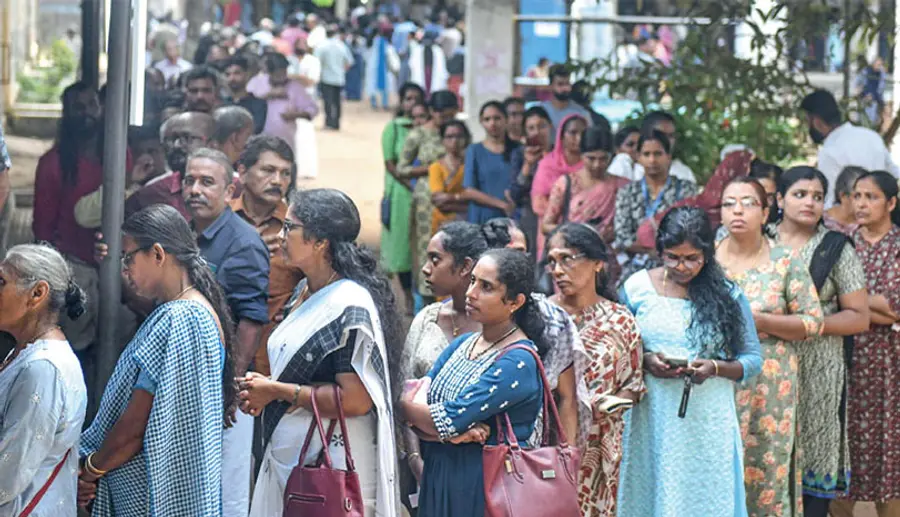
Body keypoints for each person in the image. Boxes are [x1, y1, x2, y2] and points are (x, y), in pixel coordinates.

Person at [241, 188, 401, 517]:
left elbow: (356, 400)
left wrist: (274, 390)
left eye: (289, 227)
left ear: (319, 242)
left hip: (330, 467)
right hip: (293, 460)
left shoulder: (349, 303)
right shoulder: (304, 290)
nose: (281, 236)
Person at [77, 204, 234, 515]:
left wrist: (92, 468)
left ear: (158, 254)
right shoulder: (187, 311)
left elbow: (137, 423)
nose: (125, 269)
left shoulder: (182, 318)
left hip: (150, 497)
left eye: (129, 257)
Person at [617, 207, 762, 516]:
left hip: (707, 419)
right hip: (651, 416)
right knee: (651, 492)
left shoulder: (728, 294)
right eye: (672, 257)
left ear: (707, 254)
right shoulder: (636, 288)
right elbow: (617, 347)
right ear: (659, 251)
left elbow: (752, 359)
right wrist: (645, 360)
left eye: (692, 258)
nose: (682, 267)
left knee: (705, 496)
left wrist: (716, 368)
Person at [400, 248, 548, 516]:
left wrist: (402, 407)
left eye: (486, 287)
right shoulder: (464, 344)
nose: (471, 293)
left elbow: (443, 416)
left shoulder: (518, 363)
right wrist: (450, 433)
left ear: (514, 302)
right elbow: (422, 397)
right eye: (473, 281)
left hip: (482, 485)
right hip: (440, 473)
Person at [716, 177, 824, 517]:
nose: (737, 210)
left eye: (748, 202)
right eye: (728, 203)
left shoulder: (785, 260)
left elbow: (813, 322)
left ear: (765, 213)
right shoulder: (706, 262)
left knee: (766, 480)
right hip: (717, 385)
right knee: (717, 472)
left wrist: (758, 321)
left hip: (771, 391)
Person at [768, 166, 869, 517]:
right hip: (764, 366)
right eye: (799, 194)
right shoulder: (756, 241)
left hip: (820, 369)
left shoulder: (835, 248)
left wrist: (806, 325)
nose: (809, 202)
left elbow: (859, 315)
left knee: (814, 453)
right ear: (779, 199)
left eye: (816, 196)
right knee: (763, 451)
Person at [543, 224, 643, 517]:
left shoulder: (619, 321)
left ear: (598, 263)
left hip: (600, 449)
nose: (558, 269)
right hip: (549, 445)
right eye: (552, 261)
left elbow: (633, 384)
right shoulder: (543, 318)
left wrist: (608, 404)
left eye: (568, 258)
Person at [398, 221, 488, 509]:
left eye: (435, 259)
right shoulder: (426, 319)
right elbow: (404, 393)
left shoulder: (497, 326)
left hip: (482, 465)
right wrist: (415, 460)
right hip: (428, 459)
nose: (425, 268)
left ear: (465, 267)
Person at [0, 245, 87, 516]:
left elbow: (8, 473)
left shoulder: (43, 368)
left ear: (37, 294)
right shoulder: (26, 354)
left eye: (2, 282)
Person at [833, 170, 900, 517]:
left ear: (891, 202)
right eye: (856, 196)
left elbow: (894, 308)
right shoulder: (840, 244)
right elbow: (830, 298)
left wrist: (855, 301)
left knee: (888, 449)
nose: (861, 203)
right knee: (841, 447)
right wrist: (876, 304)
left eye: (870, 197)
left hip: (888, 366)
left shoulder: (897, 246)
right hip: (844, 361)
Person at [230, 135, 304, 377]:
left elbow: (325, 281)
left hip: (276, 360)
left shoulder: (300, 229)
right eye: (268, 170)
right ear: (242, 172)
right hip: (221, 349)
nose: (277, 181)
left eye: (285, 173)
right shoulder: (221, 220)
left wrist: (300, 304)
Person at [613, 130, 698, 284]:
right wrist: (650, 250)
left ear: (668, 157)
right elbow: (621, 237)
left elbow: (693, 230)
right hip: (636, 267)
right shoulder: (628, 192)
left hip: (678, 265)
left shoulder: (685, 189)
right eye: (646, 154)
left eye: (658, 154)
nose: (652, 160)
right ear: (638, 157)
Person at [401, 90, 460, 308]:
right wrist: (435, 167)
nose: (443, 119)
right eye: (439, 114)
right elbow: (402, 168)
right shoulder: (418, 135)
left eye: (448, 114)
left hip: (455, 194)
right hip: (427, 198)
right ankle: (427, 296)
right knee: (428, 245)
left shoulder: (458, 131)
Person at [800, 89, 899, 207]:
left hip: (852, 217)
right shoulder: (870, 136)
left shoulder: (830, 151)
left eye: (807, 121)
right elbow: (894, 174)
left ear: (817, 122)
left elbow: (830, 201)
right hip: (882, 214)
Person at [380, 83, 426, 313]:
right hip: (401, 194)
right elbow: (390, 164)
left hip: (427, 195)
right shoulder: (394, 129)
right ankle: (407, 294)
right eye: (408, 98)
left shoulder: (430, 130)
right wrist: (412, 185)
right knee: (402, 247)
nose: (412, 103)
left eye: (417, 99)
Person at [542, 126, 629, 242]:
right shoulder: (566, 184)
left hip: (608, 253)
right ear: (581, 155)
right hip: (572, 251)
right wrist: (574, 233)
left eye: (603, 159)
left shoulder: (621, 185)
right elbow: (546, 225)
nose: (597, 165)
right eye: (591, 158)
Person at [247, 52, 319, 154]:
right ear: (269, 72)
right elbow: (246, 102)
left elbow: (312, 109)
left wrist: (296, 114)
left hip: (285, 142)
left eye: (283, 71)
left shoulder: (294, 87)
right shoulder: (257, 82)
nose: (281, 76)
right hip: (258, 140)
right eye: (278, 73)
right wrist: (268, 95)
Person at [463, 101, 520, 224]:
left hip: (512, 217)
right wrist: (502, 205)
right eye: (487, 119)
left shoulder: (518, 150)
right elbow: (469, 190)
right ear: (481, 122)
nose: (492, 123)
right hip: (482, 217)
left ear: (506, 119)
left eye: (497, 118)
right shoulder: (474, 151)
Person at [508, 107, 554, 258]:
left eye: (542, 126)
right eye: (531, 128)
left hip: (556, 214)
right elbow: (514, 193)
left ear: (551, 127)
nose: (537, 132)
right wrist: (528, 165)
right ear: (525, 132)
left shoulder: (559, 154)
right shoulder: (520, 154)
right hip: (529, 216)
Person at [531, 114, 588, 225]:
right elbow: (538, 203)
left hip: (585, 228)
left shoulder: (592, 164)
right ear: (561, 136)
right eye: (573, 133)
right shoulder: (547, 165)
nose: (579, 138)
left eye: (583, 134)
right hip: (551, 228)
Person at [428, 120, 471, 234]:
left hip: (470, 225)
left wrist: (450, 197)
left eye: (459, 136)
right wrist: (468, 204)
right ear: (442, 140)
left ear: (466, 139)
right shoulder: (436, 167)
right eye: (449, 137)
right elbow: (441, 203)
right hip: (443, 225)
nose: (454, 141)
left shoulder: (472, 165)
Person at [632, 111, 697, 184]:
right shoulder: (631, 172)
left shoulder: (684, 172)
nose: (668, 141)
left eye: (671, 136)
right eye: (661, 135)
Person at [315, 26, 354, 130]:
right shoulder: (342, 45)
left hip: (326, 77)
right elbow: (349, 62)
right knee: (337, 102)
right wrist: (342, 70)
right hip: (339, 78)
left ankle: (329, 122)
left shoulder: (321, 46)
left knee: (328, 101)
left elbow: (316, 61)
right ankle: (336, 123)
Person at [539, 64, 591, 131]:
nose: (565, 88)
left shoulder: (581, 113)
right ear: (551, 86)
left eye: (567, 83)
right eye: (560, 84)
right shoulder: (541, 111)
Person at [225, 55, 268, 134]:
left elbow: (256, 129)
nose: (232, 78)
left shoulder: (258, 104)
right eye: (228, 74)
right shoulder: (222, 103)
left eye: (237, 73)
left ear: (247, 74)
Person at [366, 25, 400, 111]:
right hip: (381, 68)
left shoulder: (374, 42)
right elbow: (391, 58)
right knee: (383, 86)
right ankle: (383, 104)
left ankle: (377, 104)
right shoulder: (384, 43)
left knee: (374, 85)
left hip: (375, 68)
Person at [825, 165, 867, 233]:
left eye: (869, 196)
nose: (865, 202)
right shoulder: (820, 223)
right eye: (858, 196)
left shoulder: (870, 225)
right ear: (843, 196)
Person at [409, 31, 449, 98]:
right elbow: (412, 64)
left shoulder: (437, 50)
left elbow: (442, 66)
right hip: (422, 72)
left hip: (434, 72)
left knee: (434, 89)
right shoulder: (418, 49)